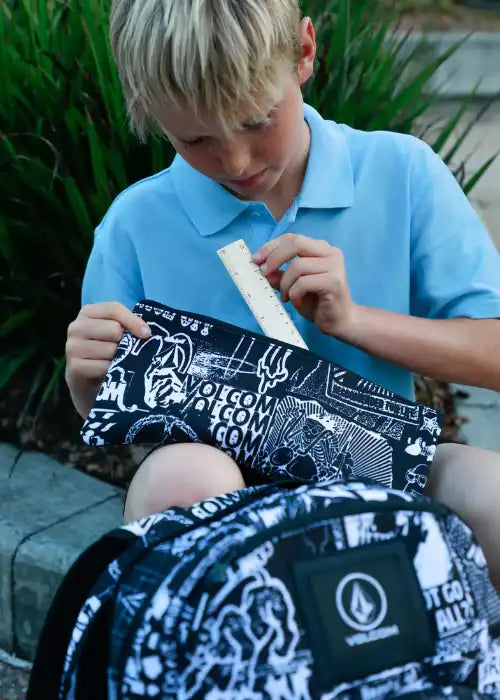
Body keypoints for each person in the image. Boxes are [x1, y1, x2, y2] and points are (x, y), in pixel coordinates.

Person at [65, 0, 500, 584]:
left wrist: (354, 321)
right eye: (195, 138)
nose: (235, 162)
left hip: (383, 465)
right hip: (219, 486)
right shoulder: (136, 224)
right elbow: (116, 414)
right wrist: (86, 381)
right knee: (186, 478)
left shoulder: (401, 172)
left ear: (304, 52)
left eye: (257, 120)